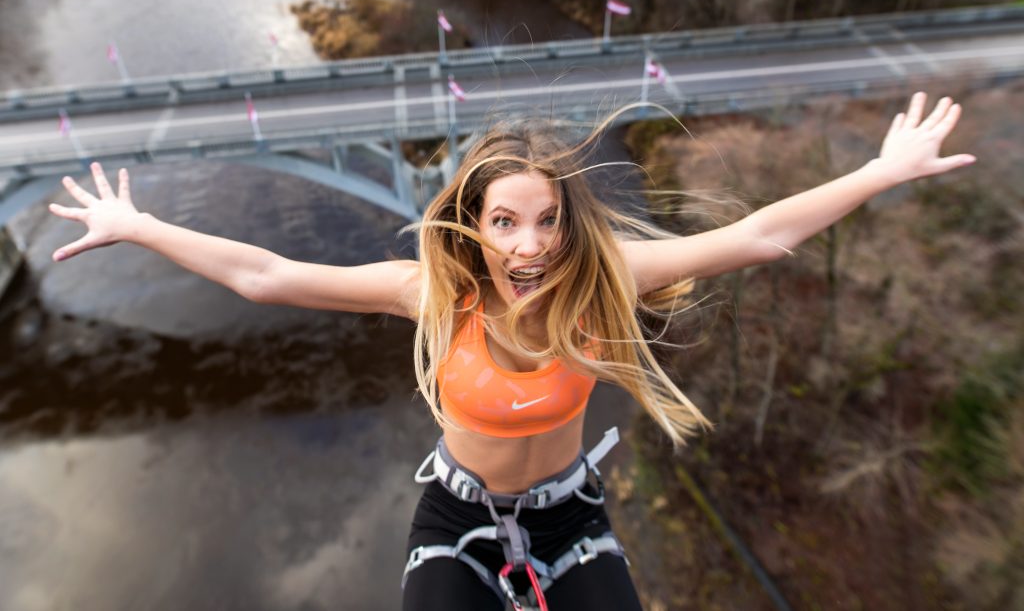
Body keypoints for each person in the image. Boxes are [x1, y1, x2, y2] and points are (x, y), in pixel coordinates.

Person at [48, 93, 973, 610]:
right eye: (504, 222)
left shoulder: (608, 278)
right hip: (457, 518)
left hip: (571, 516)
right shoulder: (435, 292)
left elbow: (760, 235)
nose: (529, 246)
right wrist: (141, 225)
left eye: (546, 220)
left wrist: (880, 171)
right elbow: (266, 275)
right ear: (474, 224)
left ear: (569, 223)